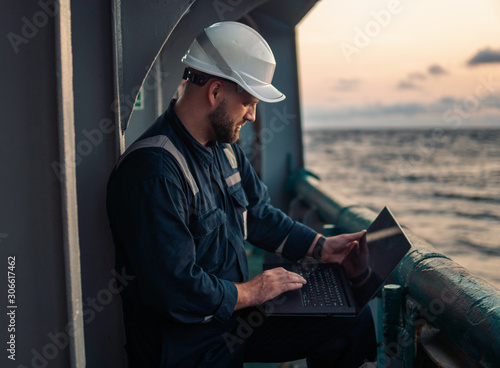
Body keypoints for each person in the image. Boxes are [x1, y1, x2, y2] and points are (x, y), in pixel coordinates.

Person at [106, 21, 376, 368]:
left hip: (230, 318)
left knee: (351, 319)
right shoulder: (154, 172)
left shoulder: (223, 148)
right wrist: (253, 290)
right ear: (215, 92)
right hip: (184, 345)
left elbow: (259, 213)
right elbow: (174, 289)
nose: (251, 115)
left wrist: (321, 246)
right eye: (248, 102)